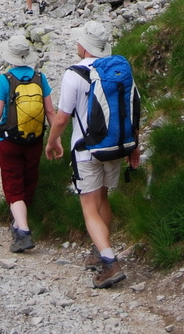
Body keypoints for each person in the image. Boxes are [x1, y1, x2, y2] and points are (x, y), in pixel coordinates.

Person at [45, 20, 140, 289]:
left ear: (84, 46)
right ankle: (100, 252)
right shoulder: (119, 71)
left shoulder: (74, 74)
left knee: (88, 207)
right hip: (114, 146)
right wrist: (135, 146)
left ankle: (110, 262)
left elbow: (62, 118)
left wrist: (51, 143)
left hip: (86, 150)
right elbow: (131, 110)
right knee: (103, 198)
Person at [0, 32, 56, 252]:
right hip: (35, 138)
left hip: (9, 140)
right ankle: (22, 218)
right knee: (30, 176)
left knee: (13, 182)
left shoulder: (4, 80)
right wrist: (55, 138)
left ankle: (22, 231)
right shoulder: (40, 78)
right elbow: (50, 111)